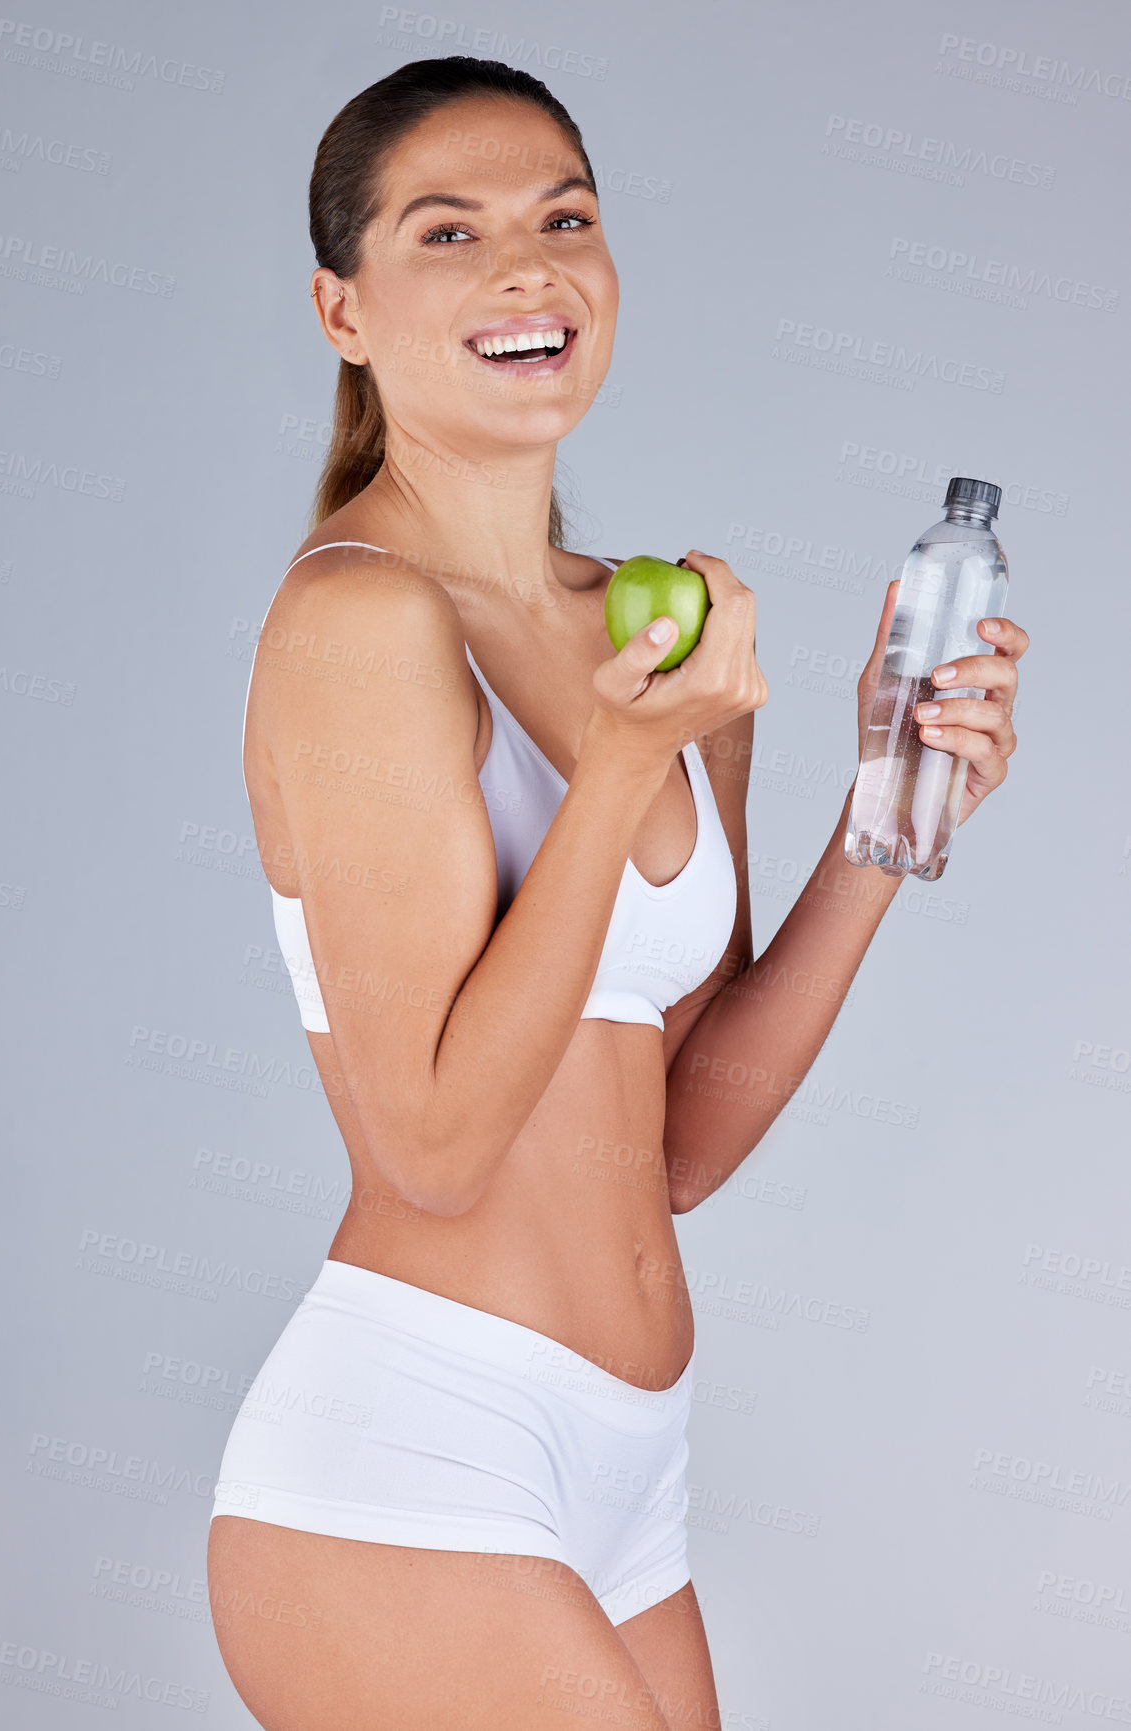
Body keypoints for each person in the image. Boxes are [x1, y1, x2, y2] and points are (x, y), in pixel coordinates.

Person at [206, 55, 1027, 1731]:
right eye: (449, 234)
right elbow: (430, 1148)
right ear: (341, 308)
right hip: (412, 1464)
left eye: (562, 217)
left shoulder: (654, 620)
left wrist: (887, 808)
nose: (527, 268)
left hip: (626, 1480)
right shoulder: (358, 622)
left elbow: (672, 1150)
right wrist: (615, 767)